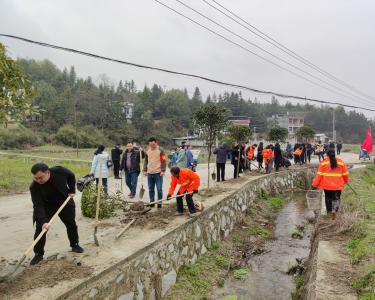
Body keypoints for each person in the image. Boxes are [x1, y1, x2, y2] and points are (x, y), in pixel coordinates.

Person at [29, 163, 83, 265]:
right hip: (47, 206)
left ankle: (74, 244)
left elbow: (71, 176)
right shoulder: (34, 187)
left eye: (41, 177)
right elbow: (38, 206)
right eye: (36, 178)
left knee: (71, 223)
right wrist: (43, 221)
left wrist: (72, 190)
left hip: (64, 201)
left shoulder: (59, 171)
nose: (38, 180)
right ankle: (38, 254)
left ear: (48, 172)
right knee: (40, 228)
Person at [312, 149, 349, 220]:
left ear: (327, 155)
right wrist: (346, 181)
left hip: (327, 185)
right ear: (334, 154)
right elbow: (345, 174)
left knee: (328, 198)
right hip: (338, 185)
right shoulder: (341, 162)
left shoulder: (323, 163)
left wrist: (315, 184)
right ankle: (334, 210)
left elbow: (319, 175)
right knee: (336, 198)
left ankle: (329, 212)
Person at [143, 137, 167, 209]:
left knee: (159, 189)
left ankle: (159, 204)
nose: (152, 146)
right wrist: (144, 170)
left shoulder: (161, 150)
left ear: (156, 143)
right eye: (150, 145)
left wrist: (163, 170)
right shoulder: (147, 151)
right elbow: (146, 161)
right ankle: (152, 203)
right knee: (150, 189)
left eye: (153, 144)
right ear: (149, 144)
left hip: (158, 173)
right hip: (150, 173)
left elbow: (163, 160)